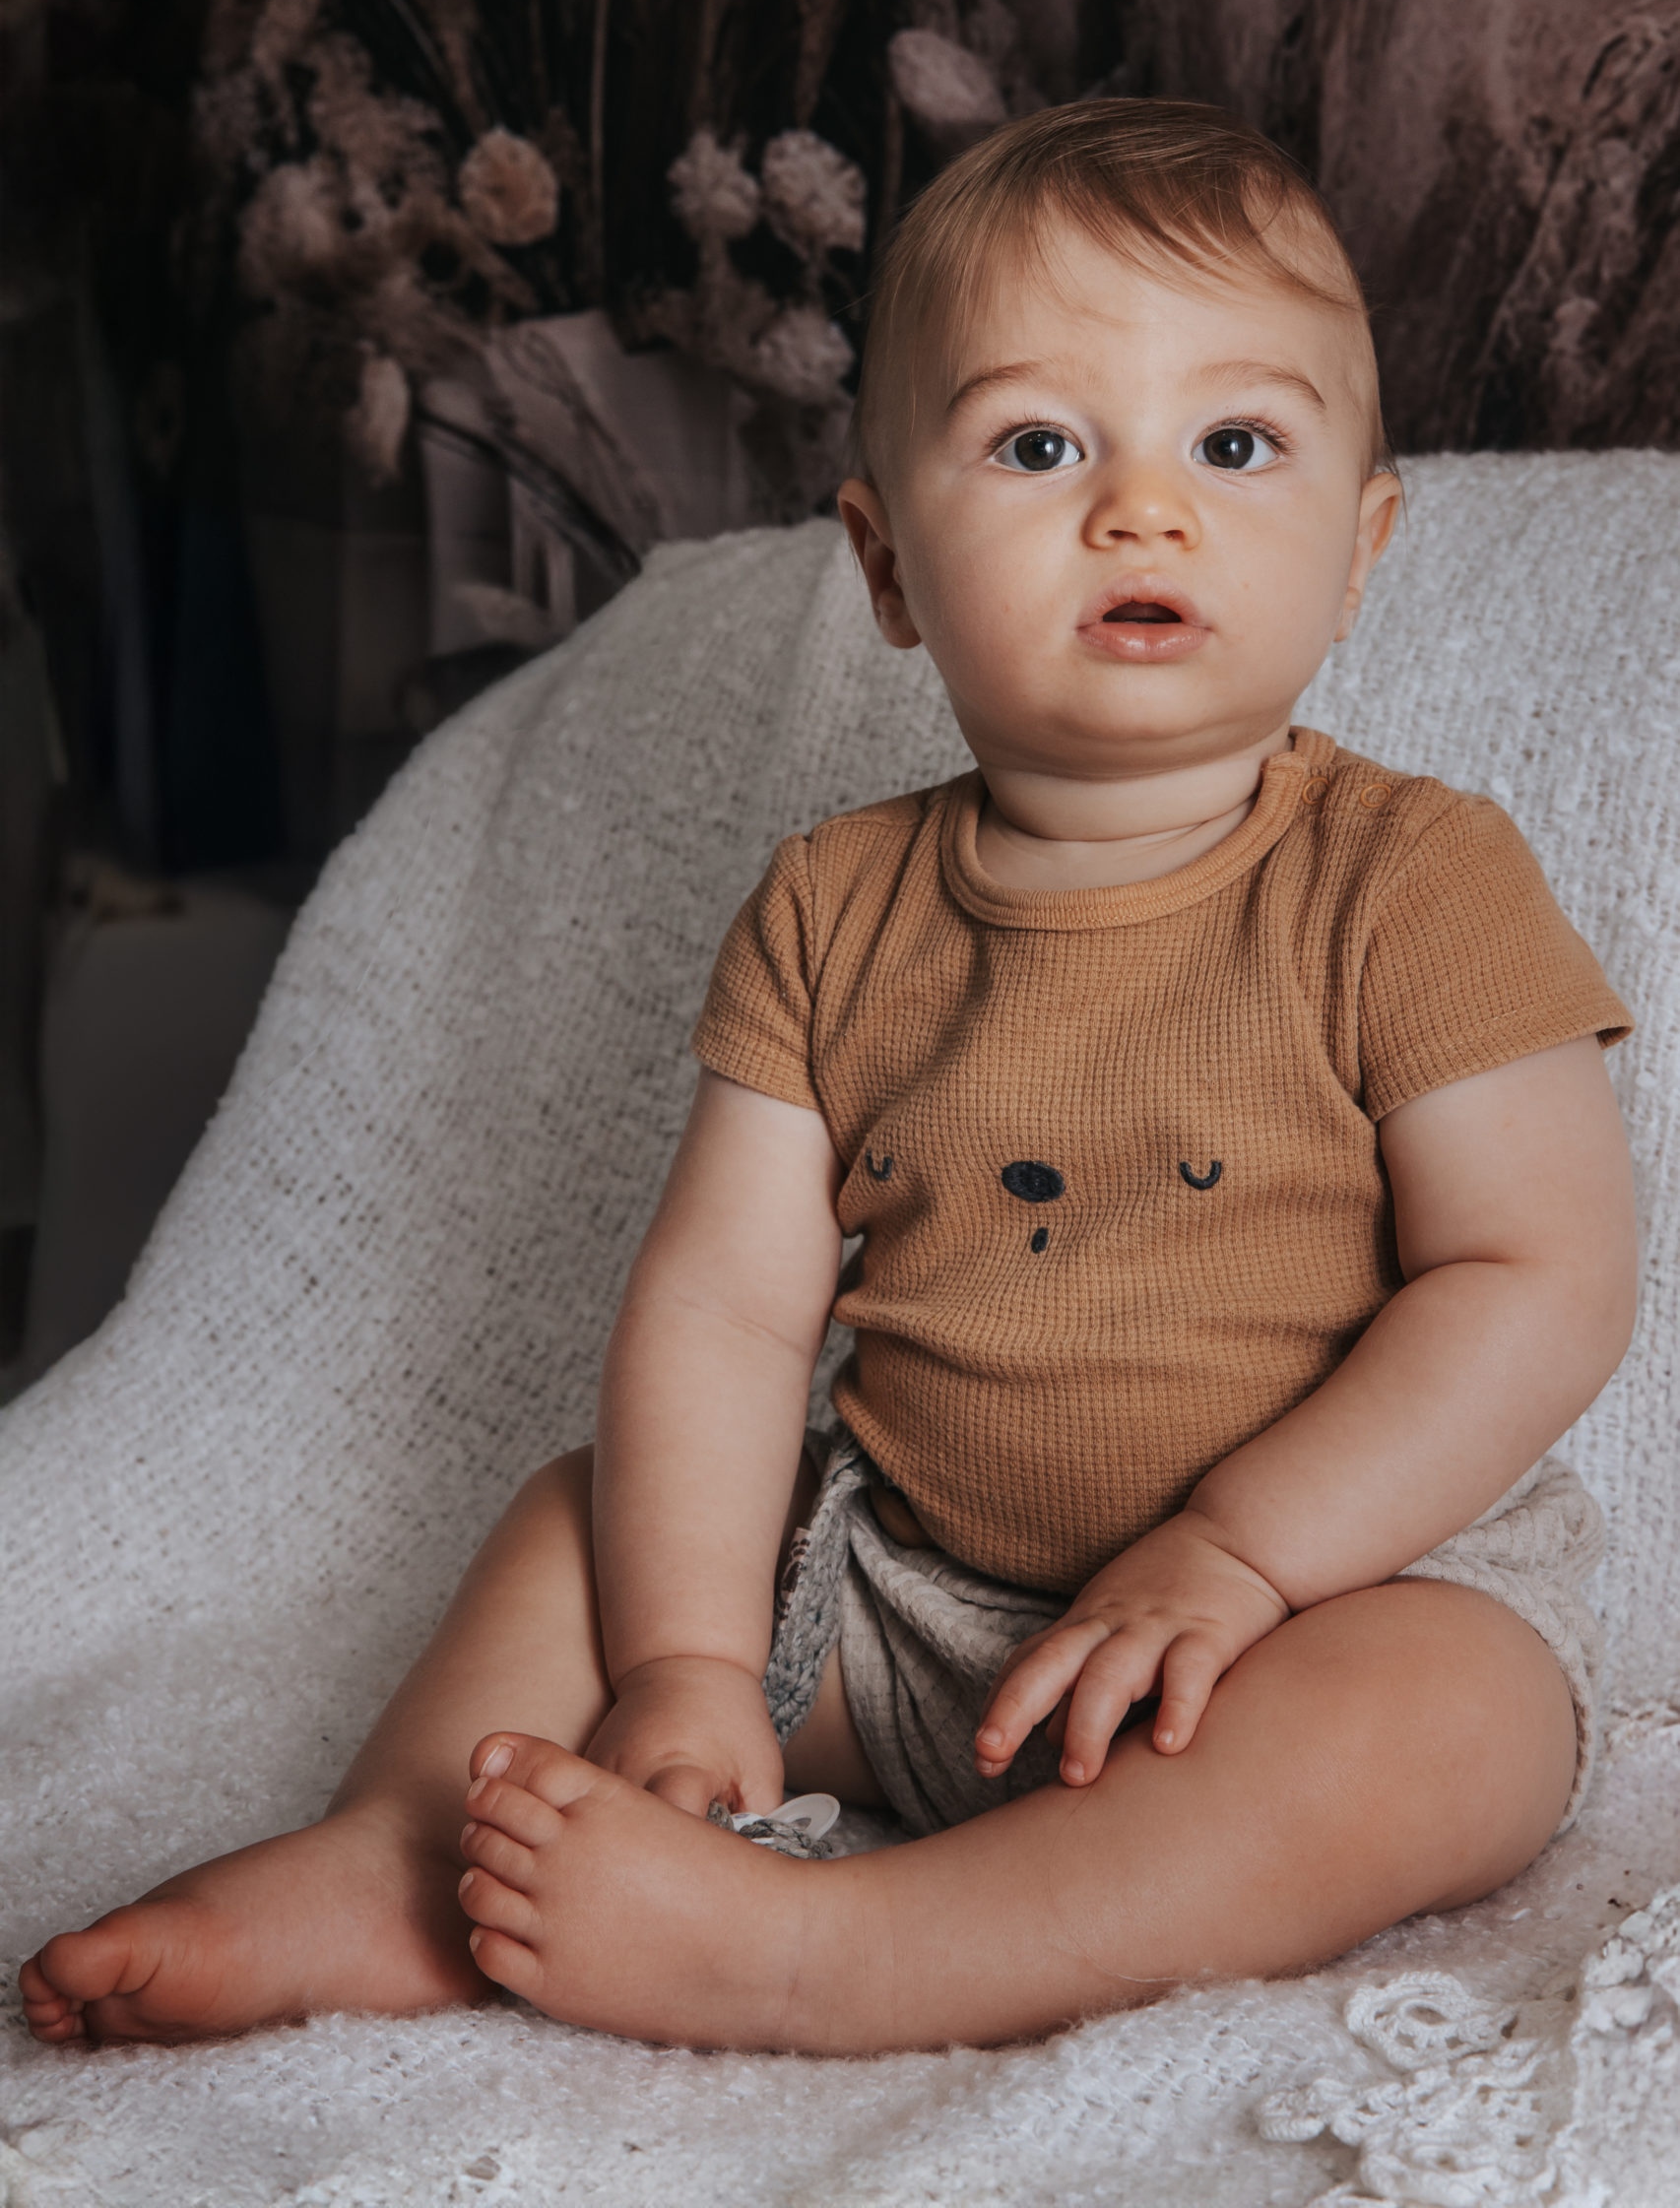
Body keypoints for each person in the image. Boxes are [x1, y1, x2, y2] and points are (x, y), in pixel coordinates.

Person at [22, 100, 1637, 2056]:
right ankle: (408, 1856)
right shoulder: (833, 906)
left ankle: (839, 1952)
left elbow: (1535, 1274)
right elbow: (724, 1306)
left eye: (1232, 445)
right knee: (585, 1523)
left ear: (1361, 546)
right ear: (883, 563)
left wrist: (1242, 1547)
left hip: (1303, 1614)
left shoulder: (1411, 878)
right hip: (894, 1612)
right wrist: (698, 1663)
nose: (1142, 510)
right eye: (1037, 446)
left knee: (1441, 1727)